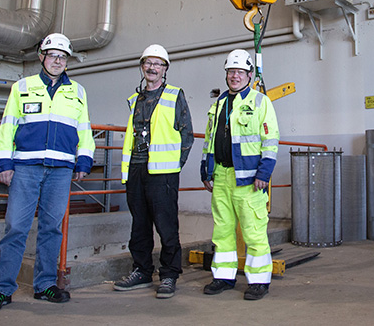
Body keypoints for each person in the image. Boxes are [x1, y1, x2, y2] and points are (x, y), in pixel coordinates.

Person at [0, 33, 95, 313]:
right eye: (53, 55)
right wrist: (3, 163)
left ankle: (45, 285)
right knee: (16, 227)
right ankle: (2, 289)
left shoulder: (78, 91)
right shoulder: (22, 87)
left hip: (61, 170)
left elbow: (84, 129)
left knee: (51, 228)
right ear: (42, 57)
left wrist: (84, 160)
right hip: (26, 167)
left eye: (63, 57)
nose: (58, 61)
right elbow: (8, 126)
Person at [113, 45, 193, 299]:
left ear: (165, 69)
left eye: (158, 64)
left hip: (163, 173)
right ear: (142, 66)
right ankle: (142, 270)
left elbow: (187, 134)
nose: (152, 68)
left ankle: (169, 274)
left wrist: (174, 165)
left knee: (166, 225)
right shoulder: (135, 99)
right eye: (148, 62)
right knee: (139, 225)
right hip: (136, 169)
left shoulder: (174, 95)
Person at [200, 49, 279, 301]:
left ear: (249, 75)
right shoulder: (218, 104)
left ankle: (259, 281)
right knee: (222, 230)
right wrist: (206, 169)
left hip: (250, 179)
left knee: (253, 231)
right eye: (231, 71)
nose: (235, 76)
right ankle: (223, 277)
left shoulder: (260, 102)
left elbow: (270, 141)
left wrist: (264, 173)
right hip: (221, 176)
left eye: (240, 72)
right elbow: (209, 140)